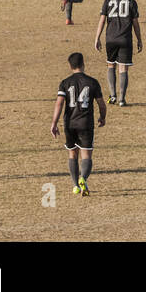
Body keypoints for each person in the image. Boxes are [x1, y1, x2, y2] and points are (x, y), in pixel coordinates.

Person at [51, 52, 106, 196]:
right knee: (86, 155)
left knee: (72, 154)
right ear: (83, 64)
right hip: (86, 124)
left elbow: (59, 104)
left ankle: (75, 185)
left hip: (70, 124)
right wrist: (102, 117)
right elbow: (101, 103)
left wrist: (54, 123)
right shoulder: (93, 82)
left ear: (70, 66)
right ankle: (83, 178)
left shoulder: (65, 83)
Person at [94, 0, 142, 106]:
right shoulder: (132, 2)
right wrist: (139, 39)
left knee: (110, 64)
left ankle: (113, 96)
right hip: (125, 39)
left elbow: (102, 21)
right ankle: (122, 99)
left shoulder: (108, 1)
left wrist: (97, 37)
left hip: (110, 38)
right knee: (123, 68)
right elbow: (135, 24)